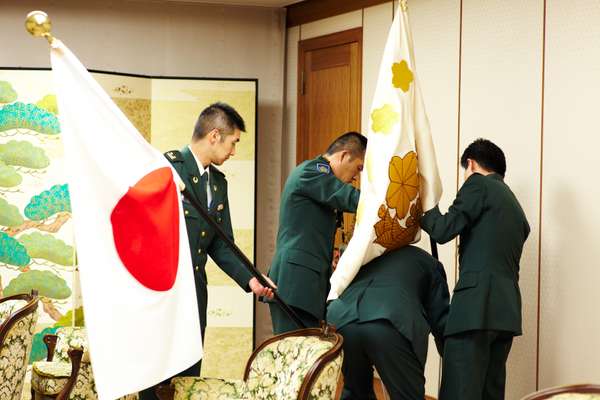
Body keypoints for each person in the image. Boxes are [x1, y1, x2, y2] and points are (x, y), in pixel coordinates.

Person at [140, 102, 273, 399]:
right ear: (215, 135)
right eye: (233, 142)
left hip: (195, 294)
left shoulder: (218, 182)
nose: (234, 152)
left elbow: (220, 243)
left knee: (187, 376)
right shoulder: (168, 169)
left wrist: (252, 279)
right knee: (156, 375)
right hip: (164, 293)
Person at [420, 138, 530, 400]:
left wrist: (424, 206)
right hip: (506, 313)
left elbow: (444, 229)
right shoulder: (515, 207)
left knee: (460, 392)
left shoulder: (478, 184)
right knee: (490, 394)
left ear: (470, 164)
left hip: (474, 309)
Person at [267, 132, 367, 334]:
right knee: (293, 358)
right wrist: (387, 201)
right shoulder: (312, 171)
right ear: (343, 155)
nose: (356, 177)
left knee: (305, 359)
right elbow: (352, 199)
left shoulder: (318, 177)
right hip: (296, 284)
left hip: (305, 286)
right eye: (358, 167)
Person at [327, 245, 449, 400]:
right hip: (388, 321)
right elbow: (441, 322)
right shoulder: (428, 261)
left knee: (356, 393)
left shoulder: (366, 254)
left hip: (343, 320)